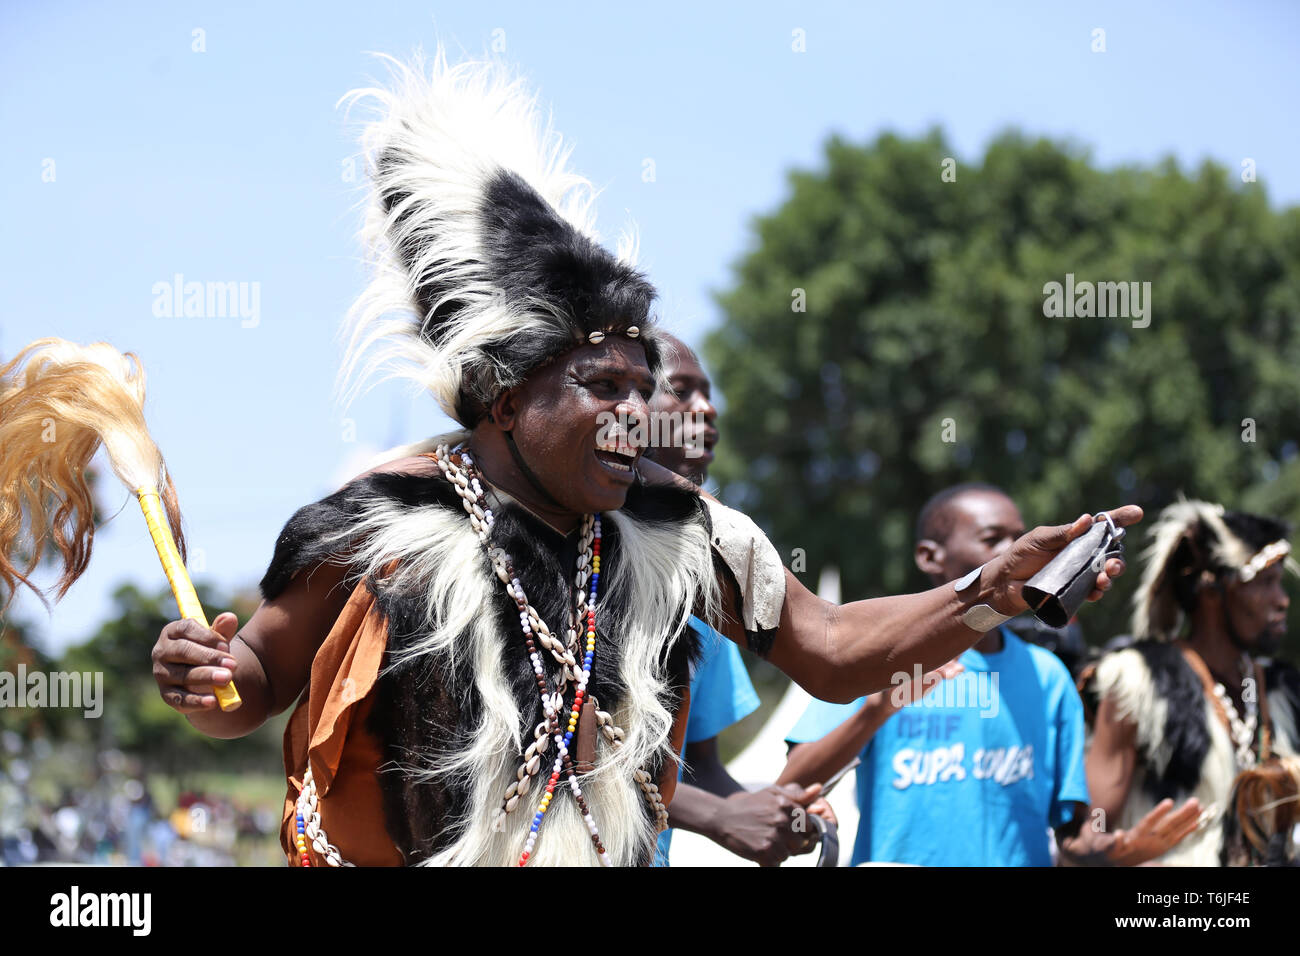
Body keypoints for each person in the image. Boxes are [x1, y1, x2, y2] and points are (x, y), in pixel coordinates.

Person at [147, 52, 1137, 867]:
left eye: (642, 381)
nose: (638, 413)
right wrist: (205, 676)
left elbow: (830, 648)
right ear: (505, 394)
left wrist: (990, 593)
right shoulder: (383, 520)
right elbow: (255, 682)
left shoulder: (673, 526)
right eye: (602, 386)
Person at [780, 484, 1197, 866]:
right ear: (930, 556)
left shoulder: (1048, 677)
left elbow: (1072, 835)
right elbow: (791, 788)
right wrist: (876, 710)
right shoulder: (876, 660)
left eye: (1018, 536)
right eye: (992, 538)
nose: (1013, 550)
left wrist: (1115, 852)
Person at [647, 335, 831, 866]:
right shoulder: (569, 559)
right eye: (681, 391)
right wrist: (717, 818)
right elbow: (568, 754)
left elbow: (696, 767)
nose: (707, 409)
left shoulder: (706, 584)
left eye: (709, 394)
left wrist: (776, 813)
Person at [1082, 497, 1297, 865]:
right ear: (1213, 589)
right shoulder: (1137, 681)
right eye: (1265, 582)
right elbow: (1084, 840)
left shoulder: (1283, 688)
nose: (1282, 600)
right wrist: (1125, 849)